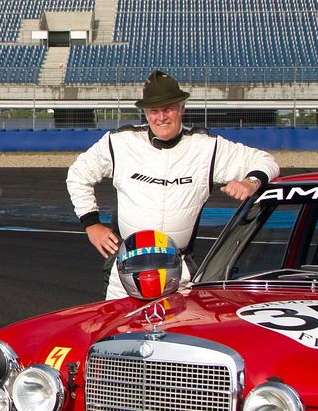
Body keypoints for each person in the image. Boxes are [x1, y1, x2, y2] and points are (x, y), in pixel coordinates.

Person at [67, 70, 281, 299]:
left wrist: (251, 182)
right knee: (122, 332)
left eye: (168, 108)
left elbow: (266, 161)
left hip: (180, 273)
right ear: (145, 113)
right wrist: (91, 225)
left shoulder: (206, 147)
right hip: (125, 274)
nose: (161, 117)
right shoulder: (119, 143)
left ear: (182, 108)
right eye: (154, 111)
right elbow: (78, 175)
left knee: (178, 333)